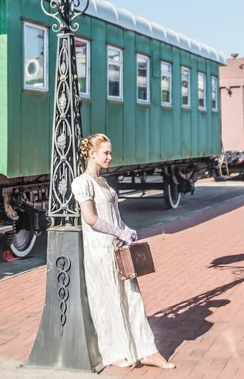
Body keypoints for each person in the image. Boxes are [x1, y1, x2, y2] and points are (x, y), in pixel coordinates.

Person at [71, 133, 175, 370]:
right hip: (98, 252)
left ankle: (147, 350)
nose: (110, 156)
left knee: (132, 298)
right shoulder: (82, 182)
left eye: (110, 152)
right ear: (92, 153)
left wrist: (127, 230)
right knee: (107, 300)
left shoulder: (104, 183)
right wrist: (120, 233)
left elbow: (114, 217)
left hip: (117, 249)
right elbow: (90, 218)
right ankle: (114, 352)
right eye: (106, 152)